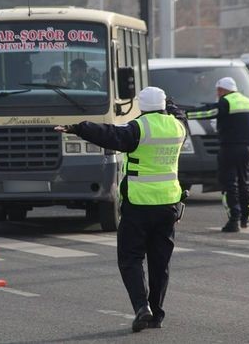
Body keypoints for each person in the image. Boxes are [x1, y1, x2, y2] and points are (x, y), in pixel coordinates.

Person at [54, 86, 188, 332]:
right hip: (169, 204)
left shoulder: (138, 129)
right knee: (160, 264)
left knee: (130, 259)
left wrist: (78, 128)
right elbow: (180, 114)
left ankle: (141, 307)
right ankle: (156, 314)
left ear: (141, 106)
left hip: (138, 205)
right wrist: (170, 103)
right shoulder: (179, 127)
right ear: (163, 105)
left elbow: (109, 134)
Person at [186, 77, 249, 232]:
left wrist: (185, 114)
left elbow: (208, 112)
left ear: (221, 90)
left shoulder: (225, 102)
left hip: (229, 149)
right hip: (247, 149)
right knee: (244, 182)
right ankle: (246, 217)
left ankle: (234, 219)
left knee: (229, 184)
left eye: (218, 91)